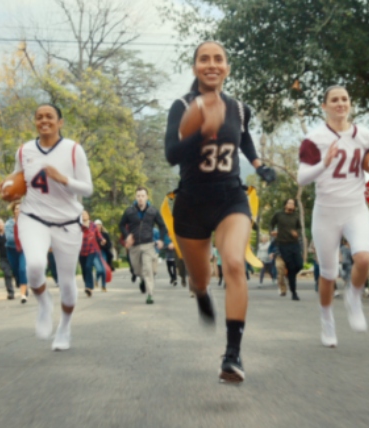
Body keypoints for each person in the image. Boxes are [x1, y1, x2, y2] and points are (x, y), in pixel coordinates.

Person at [164, 40, 276, 383]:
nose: (211, 64)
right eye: (203, 59)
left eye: (218, 59)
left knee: (234, 263)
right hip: (191, 203)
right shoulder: (182, 106)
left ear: (227, 67)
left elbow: (243, 138)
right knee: (200, 279)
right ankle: (200, 292)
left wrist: (258, 164)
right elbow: (171, 154)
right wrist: (202, 130)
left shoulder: (240, 108)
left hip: (230, 197)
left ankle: (232, 354)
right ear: (195, 66)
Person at [297, 85, 369, 348]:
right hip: (326, 212)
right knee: (328, 274)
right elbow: (302, 177)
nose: (340, 103)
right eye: (334, 100)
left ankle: (354, 296)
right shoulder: (314, 139)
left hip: (355, 208)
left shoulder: (365, 135)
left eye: (344, 99)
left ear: (350, 103)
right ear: (324, 106)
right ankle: (327, 320)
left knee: (364, 257)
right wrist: (325, 162)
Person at [10, 103, 93, 351]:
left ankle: (64, 328)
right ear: (34, 122)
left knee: (67, 282)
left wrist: (63, 179)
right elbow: (17, 180)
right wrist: (8, 190)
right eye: (39, 117)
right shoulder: (24, 151)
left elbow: (87, 189)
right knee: (35, 265)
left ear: (60, 122)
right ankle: (44, 303)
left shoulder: (73, 150)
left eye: (49, 117)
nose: (44, 121)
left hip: (67, 222)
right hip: (33, 216)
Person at [119, 187, 167, 305]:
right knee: (137, 271)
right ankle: (142, 280)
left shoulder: (153, 211)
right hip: (134, 246)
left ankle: (150, 295)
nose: (140, 198)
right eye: (138, 196)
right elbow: (121, 225)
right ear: (136, 197)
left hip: (148, 245)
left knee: (149, 271)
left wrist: (161, 239)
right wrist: (127, 235)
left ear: (147, 197)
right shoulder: (129, 211)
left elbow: (162, 227)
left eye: (143, 196)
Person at [270, 199, 303, 301]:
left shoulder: (296, 216)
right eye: (289, 203)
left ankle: (289, 274)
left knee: (299, 265)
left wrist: (297, 233)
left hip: (295, 244)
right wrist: (272, 231)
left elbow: (299, 228)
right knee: (292, 268)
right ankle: (294, 293)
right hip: (283, 245)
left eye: (293, 204)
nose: (291, 205)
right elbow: (271, 224)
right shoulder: (279, 214)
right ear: (285, 205)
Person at [5, 202, 28, 303]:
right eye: (16, 208)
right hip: (12, 250)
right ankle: (22, 283)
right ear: (13, 211)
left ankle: (23, 294)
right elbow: (9, 238)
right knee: (16, 272)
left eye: (20, 208)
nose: (18, 210)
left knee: (23, 270)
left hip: (24, 250)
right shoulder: (9, 224)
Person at [80, 211, 107, 296]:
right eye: (82, 214)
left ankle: (90, 288)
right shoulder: (78, 226)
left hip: (91, 250)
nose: (84, 215)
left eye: (85, 214)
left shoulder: (93, 225)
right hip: (81, 251)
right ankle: (87, 286)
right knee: (84, 270)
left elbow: (98, 235)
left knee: (88, 267)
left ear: (88, 215)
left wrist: (102, 240)